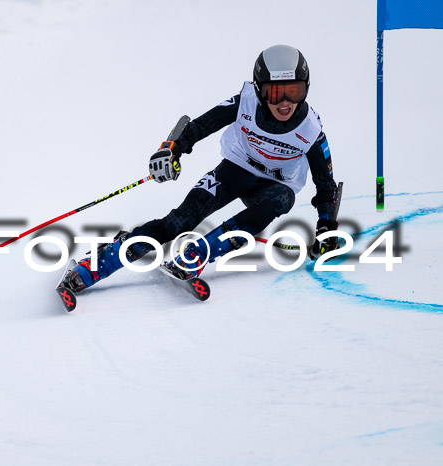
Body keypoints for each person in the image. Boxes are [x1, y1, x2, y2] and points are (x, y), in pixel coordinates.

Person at [63, 44, 340, 292]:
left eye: (294, 92)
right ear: (259, 89)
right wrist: (172, 149)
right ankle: (95, 265)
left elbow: (325, 184)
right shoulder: (245, 102)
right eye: (275, 92)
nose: (284, 103)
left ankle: (196, 255)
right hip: (236, 170)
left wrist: (326, 227)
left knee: (281, 200)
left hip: (275, 187)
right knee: (178, 222)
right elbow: (199, 126)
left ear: (306, 88)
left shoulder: (311, 130)